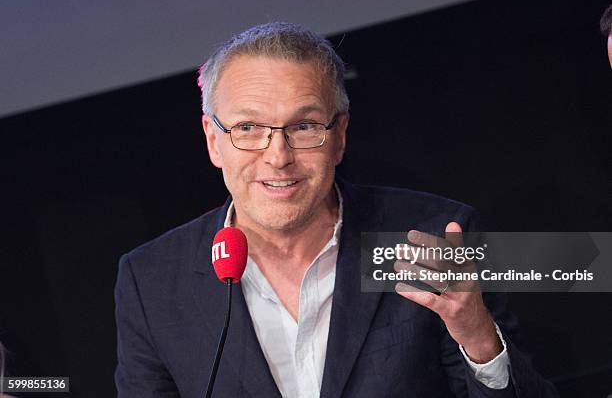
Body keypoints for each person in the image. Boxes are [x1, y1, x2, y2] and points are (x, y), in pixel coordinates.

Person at [115, 22, 558, 397]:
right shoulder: (152, 281)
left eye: (304, 126)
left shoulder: (433, 236)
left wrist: (478, 338)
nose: (278, 156)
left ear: (340, 134)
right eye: (248, 128)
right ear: (214, 140)